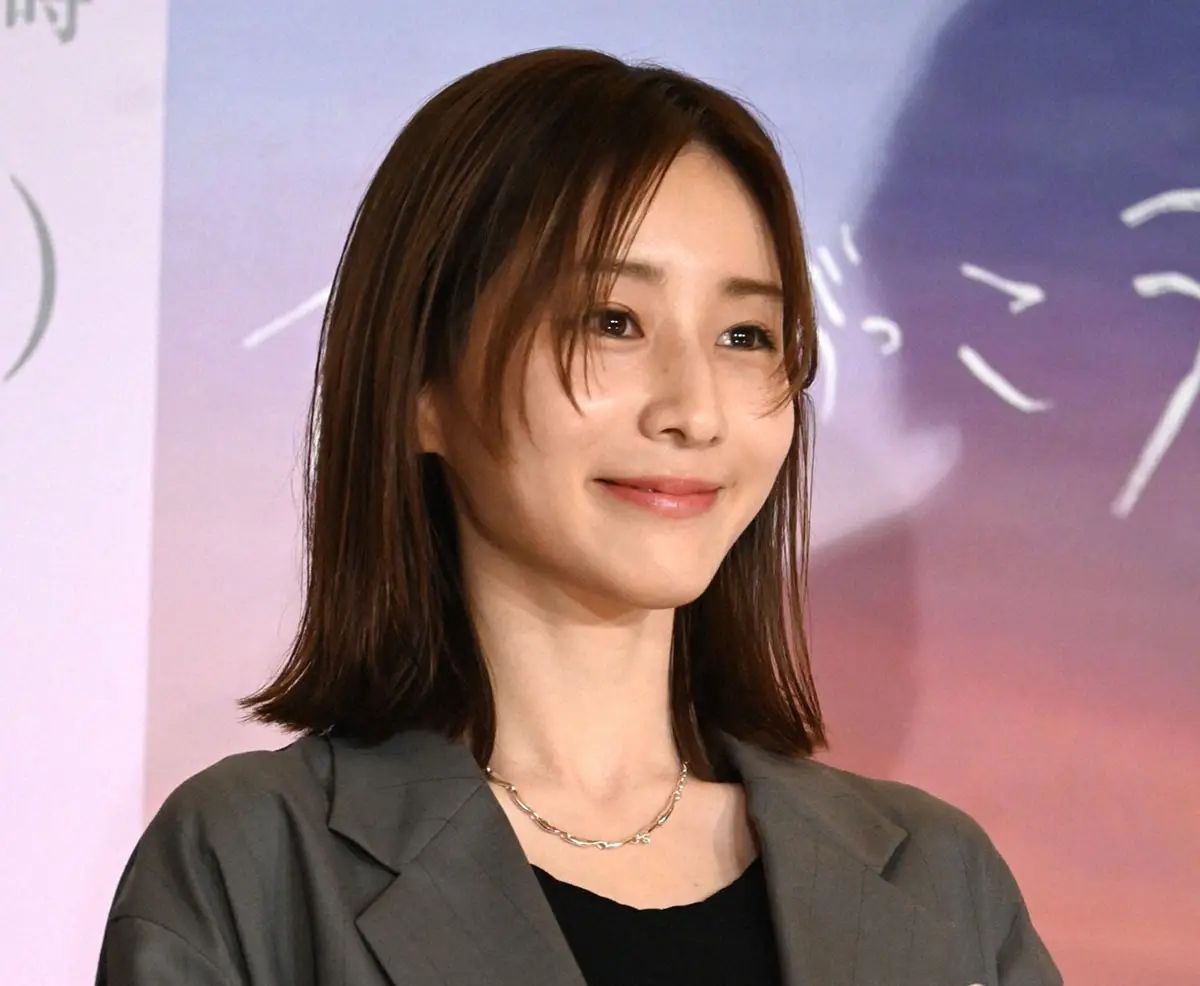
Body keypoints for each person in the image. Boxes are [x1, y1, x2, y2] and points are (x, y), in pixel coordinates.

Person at [95, 46, 1062, 986]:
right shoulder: (254, 867)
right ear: (422, 385)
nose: (693, 411)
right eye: (613, 321)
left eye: (745, 335)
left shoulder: (940, 885)